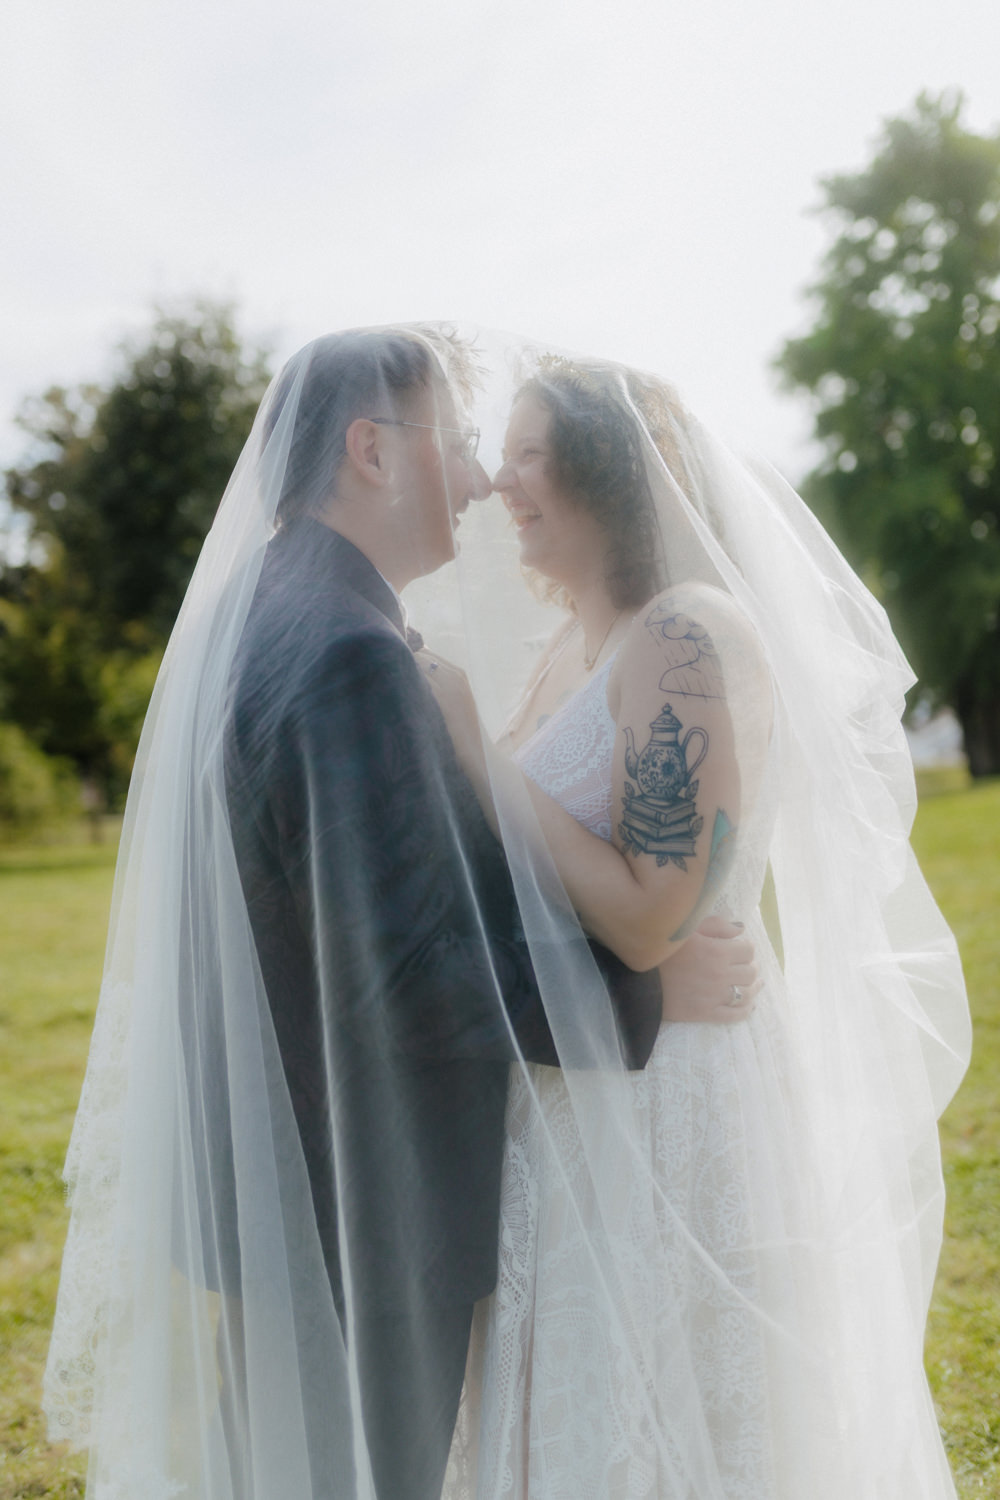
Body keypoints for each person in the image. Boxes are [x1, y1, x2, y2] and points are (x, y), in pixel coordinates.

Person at [42, 327, 754, 1500]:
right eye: (463, 444)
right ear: (371, 450)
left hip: (309, 1180)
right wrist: (640, 988)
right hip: (366, 1200)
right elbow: (401, 971)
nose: (477, 480)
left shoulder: (275, 615)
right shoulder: (349, 656)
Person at [421, 350, 970, 1499]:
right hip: (573, 1083)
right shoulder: (571, 644)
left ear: (612, 472)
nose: (498, 480)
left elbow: (648, 917)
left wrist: (474, 751)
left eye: (529, 452)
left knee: (679, 1420)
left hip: (675, 1093)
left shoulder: (687, 639)